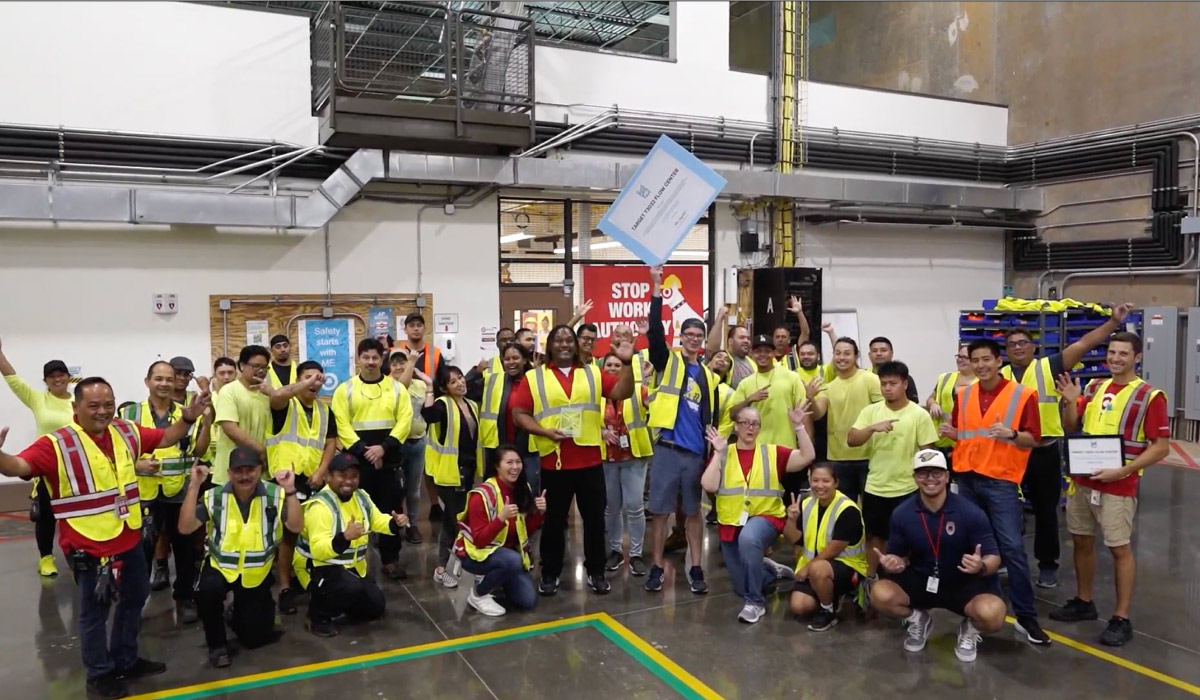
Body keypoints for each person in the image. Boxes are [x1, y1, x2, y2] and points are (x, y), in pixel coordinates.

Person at [0, 377, 209, 699]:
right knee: (94, 615)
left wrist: (189, 418)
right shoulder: (56, 444)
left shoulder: (126, 431)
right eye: (94, 406)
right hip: (88, 545)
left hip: (129, 538)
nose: (103, 412)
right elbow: (18, 465)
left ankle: (126, 659)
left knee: (134, 600)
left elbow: (167, 436)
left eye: (108, 405)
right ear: (76, 407)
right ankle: (99, 674)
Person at [1000, 303, 1134, 589]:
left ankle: (1047, 565)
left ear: (1033, 347)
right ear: (1006, 350)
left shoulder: (1050, 366)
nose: (1018, 347)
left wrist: (1113, 322)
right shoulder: (1001, 375)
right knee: (1006, 510)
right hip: (1010, 451)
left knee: (1046, 512)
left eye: (1023, 342)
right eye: (1012, 344)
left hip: (1044, 451)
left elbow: (1086, 343)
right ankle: (1005, 560)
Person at [1050, 332, 1170, 646]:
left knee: (1119, 549)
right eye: (1112, 352)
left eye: (1123, 354)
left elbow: (1160, 447)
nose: (1116, 359)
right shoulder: (1092, 387)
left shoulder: (1149, 396)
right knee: (1081, 542)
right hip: (1082, 482)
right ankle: (1084, 602)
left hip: (1119, 485)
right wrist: (1070, 401)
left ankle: (1121, 617)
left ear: (1137, 357)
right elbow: (1071, 427)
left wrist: (1124, 469)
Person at [511, 324, 634, 596]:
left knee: (594, 521)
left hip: (589, 460)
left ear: (576, 345)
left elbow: (623, 393)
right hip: (554, 462)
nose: (565, 344)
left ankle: (596, 571)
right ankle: (551, 572)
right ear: (550, 346)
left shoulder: (593, 372)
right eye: (559, 340)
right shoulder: (535, 377)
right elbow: (519, 413)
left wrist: (626, 362)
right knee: (554, 522)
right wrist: (543, 431)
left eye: (570, 340)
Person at [941, 338, 1050, 646]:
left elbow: (1034, 439)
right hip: (967, 478)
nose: (981, 365)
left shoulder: (1022, 395)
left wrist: (1012, 434)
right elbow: (966, 435)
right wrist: (952, 435)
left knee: (1012, 548)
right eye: (975, 360)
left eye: (986, 359)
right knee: (970, 547)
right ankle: (975, 609)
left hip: (1001, 481)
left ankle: (1026, 617)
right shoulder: (963, 394)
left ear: (998, 360)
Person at [871, 449, 1007, 662]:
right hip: (923, 579)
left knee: (994, 614)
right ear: (915, 478)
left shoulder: (970, 513)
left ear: (947, 476)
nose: (930, 479)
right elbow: (897, 555)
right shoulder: (902, 513)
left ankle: (970, 630)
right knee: (880, 593)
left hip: (963, 581)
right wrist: (893, 563)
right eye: (923, 473)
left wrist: (980, 566)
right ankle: (918, 620)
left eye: (936, 473)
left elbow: (994, 557)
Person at [178, 450, 302, 668]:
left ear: (260, 471)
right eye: (238, 471)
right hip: (221, 568)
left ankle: (236, 612)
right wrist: (194, 485)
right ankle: (217, 646)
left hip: (256, 573)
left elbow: (296, 526)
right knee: (208, 590)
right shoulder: (214, 497)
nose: (244, 476)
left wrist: (290, 490)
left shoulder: (276, 495)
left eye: (250, 470)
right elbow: (185, 527)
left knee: (256, 639)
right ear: (228, 473)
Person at [643, 265, 722, 595]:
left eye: (698, 336)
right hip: (667, 449)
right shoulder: (668, 361)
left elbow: (713, 415)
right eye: (688, 335)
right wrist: (657, 289)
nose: (693, 339)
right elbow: (654, 334)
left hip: (693, 455)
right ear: (681, 338)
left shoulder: (708, 375)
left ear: (703, 341)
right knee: (660, 513)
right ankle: (657, 566)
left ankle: (695, 567)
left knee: (692, 514)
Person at [701, 406, 814, 623]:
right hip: (731, 522)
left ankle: (755, 602)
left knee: (750, 538)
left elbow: (808, 456)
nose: (750, 428)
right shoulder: (725, 452)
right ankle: (769, 570)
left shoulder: (772, 452)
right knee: (741, 586)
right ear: (736, 426)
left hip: (767, 516)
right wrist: (717, 453)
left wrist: (799, 426)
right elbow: (709, 484)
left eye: (755, 424)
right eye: (745, 422)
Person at [120, 360, 212, 624]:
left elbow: (199, 451)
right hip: (143, 493)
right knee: (140, 552)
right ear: (147, 381)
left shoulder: (187, 412)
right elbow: (115, 453)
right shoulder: (129, 415)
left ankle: (183, 598)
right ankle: (135, 604)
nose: (164, 383)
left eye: (169, 379)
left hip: (179, 492)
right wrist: (137, 464)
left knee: (184, 549)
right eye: (158, 378)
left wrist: (205, 424)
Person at [296, 452, 410, 637]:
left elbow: (377, 519)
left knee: (376, 606)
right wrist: (344, 538)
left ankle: (343, 602)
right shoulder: (320, 507)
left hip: (351, 569)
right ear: (329, 477)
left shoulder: (361, 497)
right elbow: (318, 551)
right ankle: (317, 616)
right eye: (342, 475)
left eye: (353, 476)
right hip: (319, 569)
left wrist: (394, 523)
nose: (348, 481)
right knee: (349, 587)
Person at [331, 338, 412, 580]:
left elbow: (405, 421)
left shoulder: (397, 388)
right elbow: (341, 424)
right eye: (365, 357)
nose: (370, 362)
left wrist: (383, 449)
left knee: (391, 510)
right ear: (358, 358)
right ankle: (352, 561)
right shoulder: (344, 390)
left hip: (389, 461)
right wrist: (364, 451)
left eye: (375, 357)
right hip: (357, 465)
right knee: (354, 511)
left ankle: (391, 560)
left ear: (381, 359)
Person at [847, 361, 937, 577]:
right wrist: (871, 428)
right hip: (876, 487)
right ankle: (870, 580)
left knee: (909, 537)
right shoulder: (871, 411)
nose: (887, 388)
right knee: (874, 538)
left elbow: (928, 455)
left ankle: (908, 579)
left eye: (892, 383)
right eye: (884, 383)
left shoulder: (919, 415)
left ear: (905, 384)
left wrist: (926, 487)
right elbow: (851, 440)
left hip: (907, 488)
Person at [266, 360, 338, 614]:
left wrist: (321, 471)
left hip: (313, 479)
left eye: (318, 378)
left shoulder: (325, 409)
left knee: (312, 532)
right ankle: (285, 588)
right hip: (285, 480)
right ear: (297, 379)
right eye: (308, 377)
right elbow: (276, 397)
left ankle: (306, 578)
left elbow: (330, 442)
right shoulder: (286, 404)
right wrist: (302, 384)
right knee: (288, 536)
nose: (313, 382)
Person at [0, 336, 73, 577]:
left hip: (75, 469)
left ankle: (76, 554)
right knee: (46, 517)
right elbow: (13, 380)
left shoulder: (79, 402)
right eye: (52, 376)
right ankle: (46, 558)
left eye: (61, 374)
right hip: (47, 469)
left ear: (68, 377)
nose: (58, 379)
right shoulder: (38, 399)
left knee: (75, 516)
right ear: (46, 381)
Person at [455, 445, 548, 616]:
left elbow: (523, 532)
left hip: (505, 553)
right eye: (509, 462)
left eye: (518, 462)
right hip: (476, 554)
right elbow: (479, 540)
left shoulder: (522, 488)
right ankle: (478, 594)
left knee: (527, 601)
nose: (515, 467)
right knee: (512, 560)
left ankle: (498, 576)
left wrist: (540, 514)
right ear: (497, 466)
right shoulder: (481, 495)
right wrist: (501, 519)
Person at [786, 463, 868, 631]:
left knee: (818, 569)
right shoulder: (807, 504)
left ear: (836, 483)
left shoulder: (847, 509)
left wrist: (807, 569)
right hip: (819, 567)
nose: (820, 485)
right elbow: (795, 539)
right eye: (815, 480)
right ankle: (830, 595)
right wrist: (791, 519)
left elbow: (834, 549)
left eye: (825, 481)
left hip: (848, 568)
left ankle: (828, 610)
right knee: (799, 606)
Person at [423, 366, 481, 588]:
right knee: (454, 520)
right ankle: (442, 568)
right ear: (445, 388)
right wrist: (429, 389)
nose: (460, 383)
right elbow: (429, 415)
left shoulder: (472, 405)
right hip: (449, 472)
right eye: (453, 381)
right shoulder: (443, 404)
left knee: (458, 518)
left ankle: (458, 564)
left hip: (468, 471)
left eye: (460, 378)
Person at [810, 337, 883, 503]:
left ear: (856, 356)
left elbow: (883, 411)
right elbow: (817, 413)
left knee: (870, 508)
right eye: (837, 353)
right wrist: (810, 398)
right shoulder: (827, 387)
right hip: (838, 459)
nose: (841, 357)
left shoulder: (870, 379)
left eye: (847, 353)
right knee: (844, 508)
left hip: (868, 457)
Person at [600, 352, 652, 576]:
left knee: (635, 506)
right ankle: (615, 551)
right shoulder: (596, 393)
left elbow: (652, 409)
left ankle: (637, 554)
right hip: (606, 457)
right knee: (612, 508)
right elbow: (586, 418)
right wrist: (601, 431)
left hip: (634, 455)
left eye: (617, 364)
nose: (613, 368)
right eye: (609, 364)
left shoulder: (638, 389)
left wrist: (649, 385)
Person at [475, 342, 539, 495]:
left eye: (516, 358)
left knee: (528, 494)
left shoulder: (536, 381)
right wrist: (476, 371)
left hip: (529, 450)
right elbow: (468, 388)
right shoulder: (493, 380)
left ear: (524, 360)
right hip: (498, 448)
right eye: (507, 359)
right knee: (497, 494)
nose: (511, 362)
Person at [729, 334, 808, 449]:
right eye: (758, 351)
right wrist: (750, 399)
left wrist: (804, 445)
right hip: (756, 448)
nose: (762, 355)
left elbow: (803, 413)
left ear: (774, 353)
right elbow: (733, 414)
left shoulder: (792, 377)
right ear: (752, 354)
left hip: (786, 447)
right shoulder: (745, 383)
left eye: (767, 351)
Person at [212, 345, 272, 486]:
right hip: (233, 471)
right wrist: (260, 450)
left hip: (261, 470)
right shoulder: (229, 391)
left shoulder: (267, 393)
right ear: (242, 366)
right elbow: (230, 428)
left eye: (265, 367)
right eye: (256, 366)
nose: (261, 371)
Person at [390, 350, 430, 544]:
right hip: (397, 445)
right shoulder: (388, 384)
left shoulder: (420, 385)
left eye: (402, 362)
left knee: (414, 490)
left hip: (418, 442)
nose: (398, 366)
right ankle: (395, 524)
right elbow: (400, 387)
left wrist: (430, 386)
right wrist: (412, 362)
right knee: (395, 489)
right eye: (394, 363)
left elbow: (428, 411)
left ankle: (412, 525)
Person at [926, 343, 976, 464]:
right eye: (959, 356)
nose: (960, 360)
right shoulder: (945, 377)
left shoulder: (980, 383)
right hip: (940, 439)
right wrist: (933, 404)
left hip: (965, 441)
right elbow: (930, 398)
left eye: (965, 357)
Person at [706, 309, 753, 388]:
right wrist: (720, 318)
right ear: (730, 341)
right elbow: (711, 348)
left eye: (748, 338)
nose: (746, 341)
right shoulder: (726, 358)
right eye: (741, 337)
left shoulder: (752, 363)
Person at [867, 337, 919, 403]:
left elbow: (912, 405)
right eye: (874, 351)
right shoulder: (863, 377)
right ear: (869, 355)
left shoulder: (904, 377)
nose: (879, 354)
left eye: (883, 350)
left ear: (891, 353)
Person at [397, 312, 445, 382]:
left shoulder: (435, 353)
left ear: (424, 329)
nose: (416, 329)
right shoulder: (397, 352)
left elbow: (443, 380)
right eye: (411, 325)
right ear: (405, 330)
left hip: (429, 392)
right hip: (403, 392)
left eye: (419, 325)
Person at [772, 295, 810, 370]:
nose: (780, 339)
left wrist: (799, 312)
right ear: (772, 339)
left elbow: (805, 333)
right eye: (777, 337)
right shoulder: (767, 355)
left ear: (789, 339)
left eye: (783, 337)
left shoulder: (796, 351)